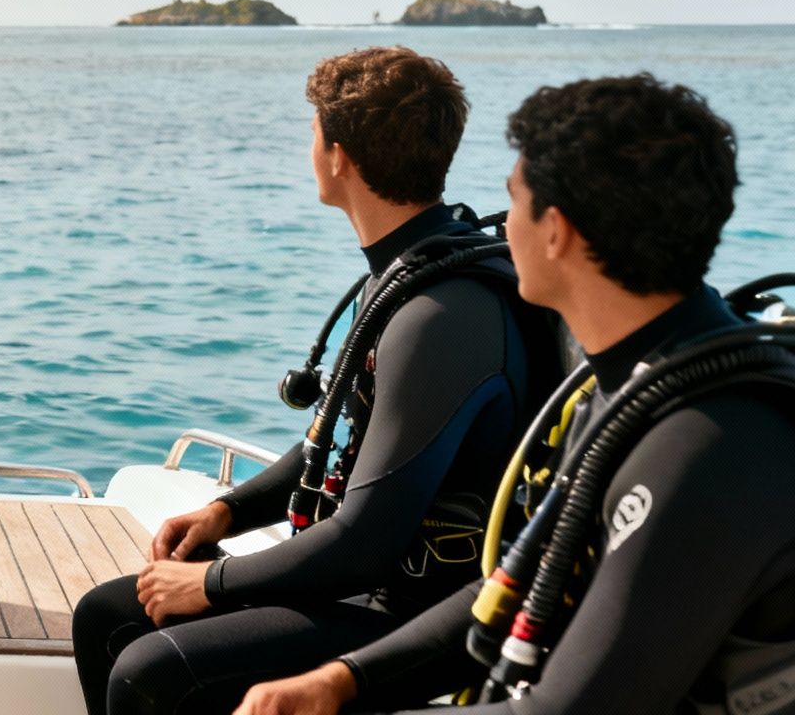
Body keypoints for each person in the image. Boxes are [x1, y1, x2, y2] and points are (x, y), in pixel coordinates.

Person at [235, 74, 795, 715]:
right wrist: (343, 679)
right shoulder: (629, 386)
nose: (502, 228)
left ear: (554, 231)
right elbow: (517, 585)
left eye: (514, 201)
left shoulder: (708, 444)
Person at [72, 47, 551, 714]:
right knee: (107, 614)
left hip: (418, 613)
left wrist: (211, 583)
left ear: (339, 157)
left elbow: (362, 544)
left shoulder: (439, 314)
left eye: (314, 134)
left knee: (149, 670)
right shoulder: (407, 276)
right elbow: (348, 433)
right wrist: (228, 511)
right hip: (370, 584)